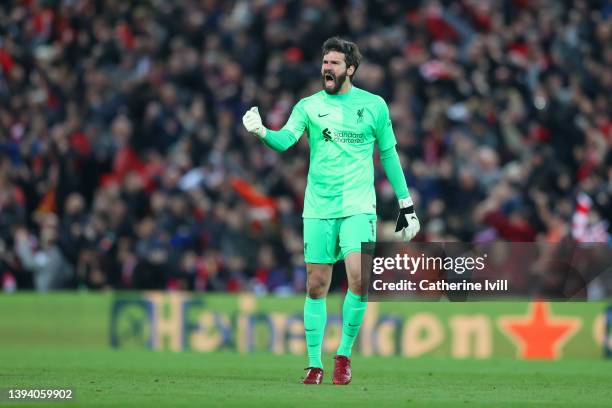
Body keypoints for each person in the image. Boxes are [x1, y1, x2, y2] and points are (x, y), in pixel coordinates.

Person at [242, 37, 420, 385]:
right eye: (326, 62)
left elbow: (388, 155)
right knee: (315, 286)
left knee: (358, 277)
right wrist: (262, 132)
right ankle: (313, 364)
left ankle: (343, 356)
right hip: (318, 208)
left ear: (350, 69)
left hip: (358, 207)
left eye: (335, 63)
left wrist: (406, 203)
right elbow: (286, 141)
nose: (327, 67)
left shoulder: (374, 106)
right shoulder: (308, 106)